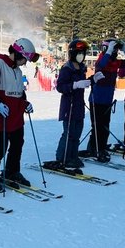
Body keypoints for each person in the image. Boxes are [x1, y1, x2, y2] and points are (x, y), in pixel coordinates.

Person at [0, 38, 39, 191]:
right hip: (2, 117)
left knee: (17, 145)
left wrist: (25, 103)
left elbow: (19, 93)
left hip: (16, 118)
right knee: (0, 148)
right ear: (18, 53)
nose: (24, 63)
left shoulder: (18, 71)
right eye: (24, 59)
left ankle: (12, 172)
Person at [84, 38, 125, 161]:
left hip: (107, 99)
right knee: (97, 126)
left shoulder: (116, 62)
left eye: (116, 49)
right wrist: (109, 50)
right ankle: (95, 148)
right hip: (96, 99)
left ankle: (101, 147)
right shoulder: (102, 59)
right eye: (113, 49)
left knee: (105, 126)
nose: (115, 52)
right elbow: (101, 65)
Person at [51, 39, 91, 168]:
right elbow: (60, 87)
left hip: (79, 105)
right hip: (69, 106)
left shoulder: (82, 68)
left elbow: (83, 84)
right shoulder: (67, 68)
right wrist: (74, 85)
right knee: (69, 133)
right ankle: (62, 157)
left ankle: (73, 155)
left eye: (83, 53)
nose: (81, 56)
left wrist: (93, 80)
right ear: (72, 53)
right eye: (79, 53)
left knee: (77, 133)